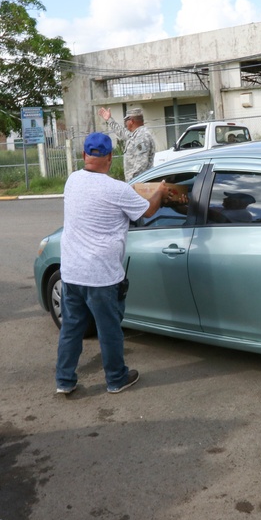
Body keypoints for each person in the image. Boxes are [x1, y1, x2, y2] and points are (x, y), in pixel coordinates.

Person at [56, 132, 168, 395]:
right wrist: (160, 191)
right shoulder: (117, 189)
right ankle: (116, 378)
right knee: (109, 331)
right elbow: (148, 211)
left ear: (84, 155)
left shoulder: (72, 180)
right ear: (110, 157)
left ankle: (64, 381)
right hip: (101, 276)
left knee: (71, 329)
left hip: (71, 273)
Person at [98, 107, 157, 182]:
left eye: (126, 120)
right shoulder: (135, 134)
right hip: (137, 182)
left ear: (131, 121)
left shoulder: (142, 137)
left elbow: (141, 164)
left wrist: (132, 182)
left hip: (139, 183)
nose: (125, 123)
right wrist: (109, 119)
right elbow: (122, 132)